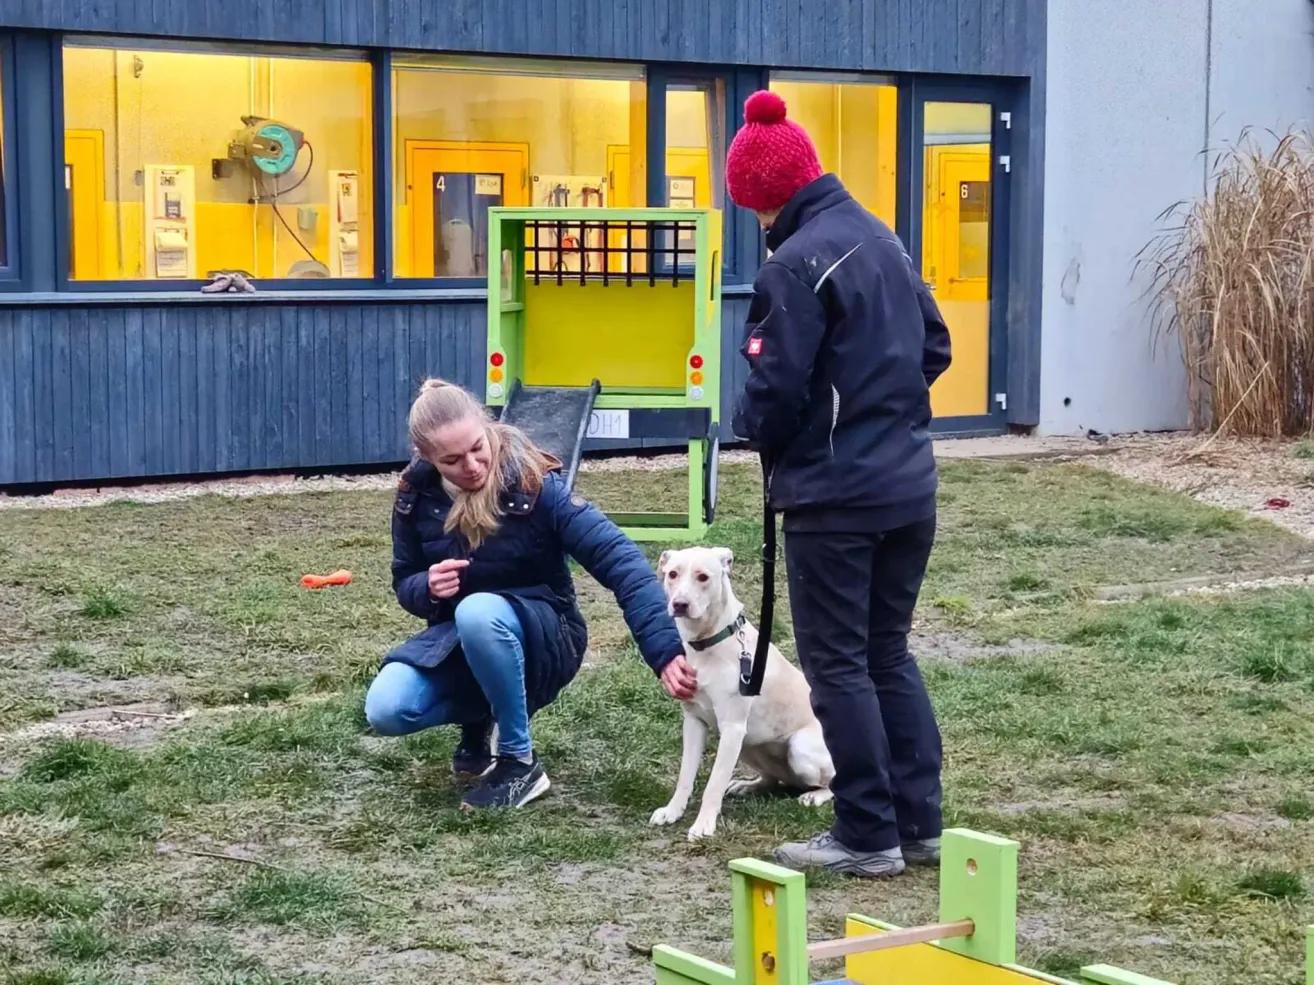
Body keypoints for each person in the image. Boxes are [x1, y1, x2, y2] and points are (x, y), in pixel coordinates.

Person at [725, 91, 954, 878]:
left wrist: (761, 425)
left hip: (834, 497)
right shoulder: (882, 238)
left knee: (840, 664)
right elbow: (935, 345)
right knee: (888, 651)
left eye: (752, 206)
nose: (756, 220)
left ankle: (864, 832)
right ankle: (918, 822)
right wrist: (882, 411)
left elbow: (775, 392)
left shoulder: (792, 264)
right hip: (908, 486)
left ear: (765, 197)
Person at [365, 379, 697, 810]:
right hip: (460, 640)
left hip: (548, 635)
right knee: (387, 709)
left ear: (487, 426)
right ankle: (484, 717)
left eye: (477, 447)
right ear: (426, 457)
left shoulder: (535, 484)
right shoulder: (415, 495)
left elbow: (622, 562)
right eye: (452, 460)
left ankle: (518, 762)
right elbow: (404, 579)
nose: (472, 465)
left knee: (478, 612)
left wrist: (664, 650)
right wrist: (425, 586)